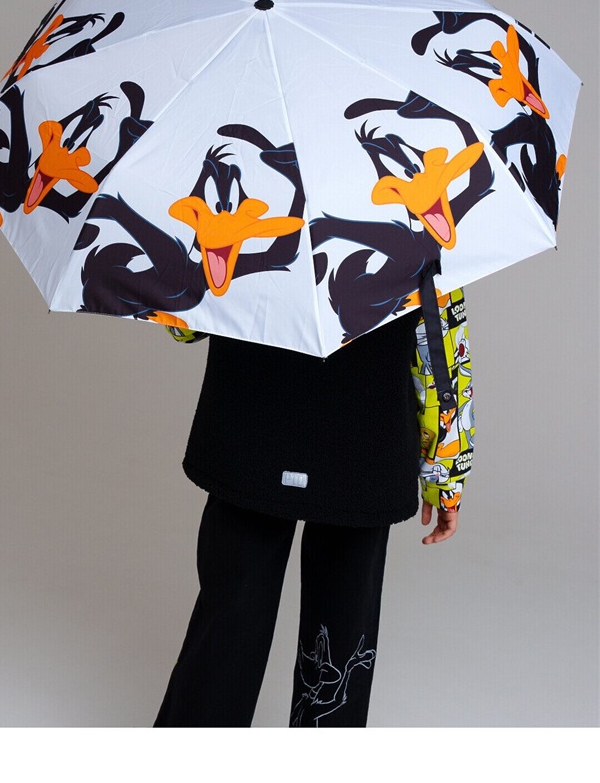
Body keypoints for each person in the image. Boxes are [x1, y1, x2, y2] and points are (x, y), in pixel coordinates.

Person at [153, 288, 474, 728]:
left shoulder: (238, 236)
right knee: (341, 644)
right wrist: (446, 477)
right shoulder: (415, 240)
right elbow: (439, 343)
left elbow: (183, 324)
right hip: (363, 447)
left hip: (251, 435)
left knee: (227, 626)